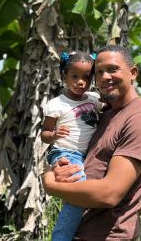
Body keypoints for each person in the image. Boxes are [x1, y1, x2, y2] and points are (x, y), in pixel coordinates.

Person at [43, 45, 141, 240]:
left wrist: (49, 185)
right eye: (98, 72)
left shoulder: (140, 120)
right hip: (82, 232)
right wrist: (58, 168)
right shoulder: (105, 112)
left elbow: (109, 194)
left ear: (133, 73)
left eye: (113, 69)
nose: (105, 77)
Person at [40, 51, 104, 241]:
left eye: (86, 77)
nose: (80, 82)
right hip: (65, 152)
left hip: (87, 154)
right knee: (80, 189)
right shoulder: (57, 104)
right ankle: (60, 237)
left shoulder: (93, 99)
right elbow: (44, 134)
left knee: (83, 194)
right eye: (74, 76)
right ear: (64, 76)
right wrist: (54, 135)